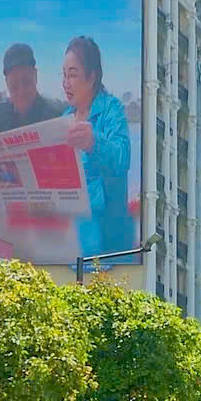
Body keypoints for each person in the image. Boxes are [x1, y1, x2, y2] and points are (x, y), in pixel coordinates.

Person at [62, 34, 134, 260]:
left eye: (73, 74)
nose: (66, 83)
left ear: (92, 76)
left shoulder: (112, 109)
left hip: (109, 244)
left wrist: (94, 143)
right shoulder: (64, 119)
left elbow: (122, 159)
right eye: (64, 75)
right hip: (71, 244)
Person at [0, 41, 67, 134]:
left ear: (35, 76)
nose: (21, 91)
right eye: (14, 86)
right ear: (7, 83)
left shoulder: (55, 118)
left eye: (27, 82)